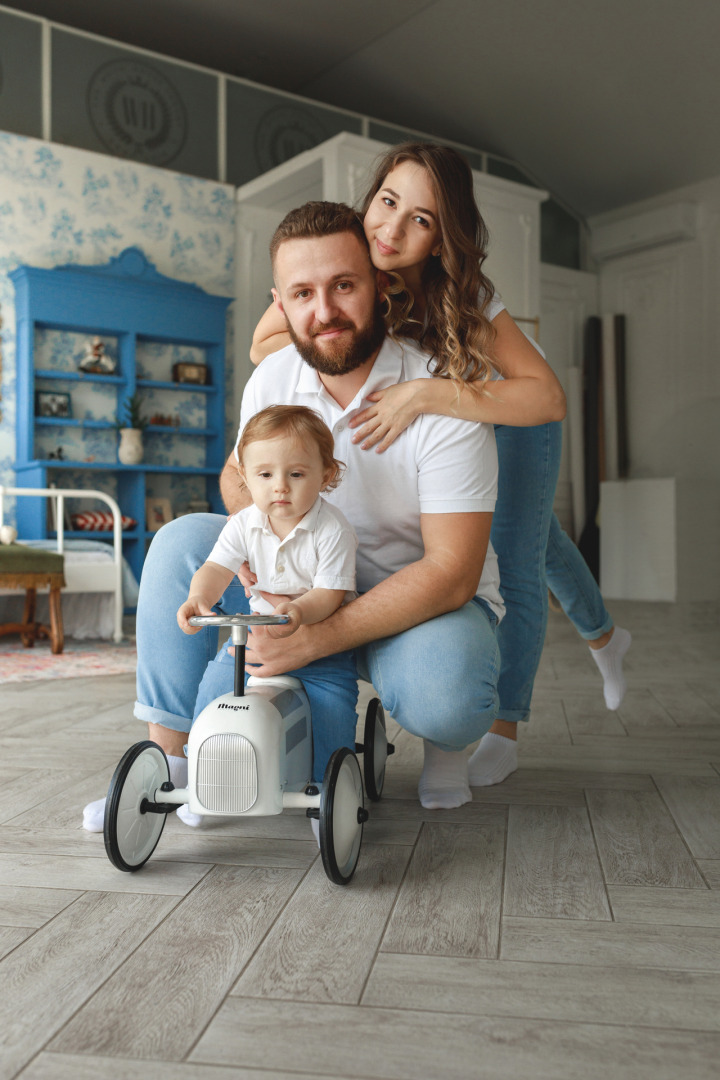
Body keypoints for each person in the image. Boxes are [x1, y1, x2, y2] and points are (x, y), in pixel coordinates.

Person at [82, 198, 503, 832]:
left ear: (381, 284)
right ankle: (171, 767)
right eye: (302, 293)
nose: (324, 311)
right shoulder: (273, 376)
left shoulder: (439, 390)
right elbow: (236, 473)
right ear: (280, 302)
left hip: (413, 603)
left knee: (450, 693)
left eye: (343, 285)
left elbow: (452, 572)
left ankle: (445, 748)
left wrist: (319, 632)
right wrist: (255, 548)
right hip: (292, 581)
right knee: (179, 543)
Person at [251, 141, 631, 789]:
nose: (393, 229)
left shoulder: (461, 293)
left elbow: (546, 395)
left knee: (515, 553)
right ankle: (605, 636)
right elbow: (267, 345)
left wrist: (429, 392)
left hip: (504, 405)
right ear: (370, 199)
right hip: (444, 415)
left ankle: (505, 726)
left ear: (442, 234)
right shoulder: (342, 253)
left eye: (421, 219)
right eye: (388, 202)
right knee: (543, 536)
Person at [175, 404, 359, 826]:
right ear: (245, 476)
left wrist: (298, 610)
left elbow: (330, 593)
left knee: (332, 709)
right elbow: (216, 569)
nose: (280, 487)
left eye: (296, 474)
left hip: (320, 643)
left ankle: (328, 791)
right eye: (265, 475)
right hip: (254, 640)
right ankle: (201, 772)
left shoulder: (333, 529)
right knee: (213, 691)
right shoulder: (243, 523)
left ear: (326, 475)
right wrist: (197, 598)